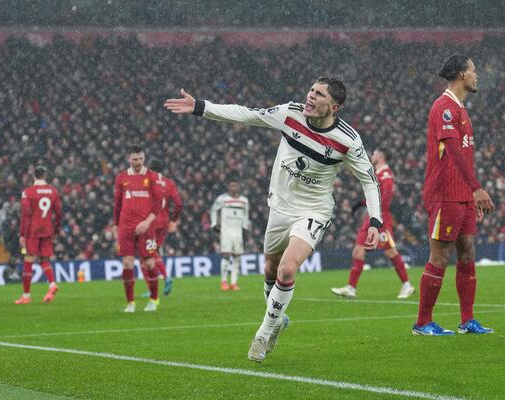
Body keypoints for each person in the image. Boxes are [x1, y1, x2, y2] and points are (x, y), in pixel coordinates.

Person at [164, 77, 382, 362]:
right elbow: (247, 114)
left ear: (334, 106)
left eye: (319, 94)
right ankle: (277, 318)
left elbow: (369, 180)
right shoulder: (289, 114)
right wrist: (201, 107)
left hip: (314, 210)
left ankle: (264, 334)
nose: (311, 96)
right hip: (279, 207)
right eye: (311, 90)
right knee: (270, 269)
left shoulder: (348, 140)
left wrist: (376, 221)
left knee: (287, 270)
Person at [413, 55, 495, 336]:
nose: (476, 75)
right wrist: (477, 188)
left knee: (467, 251)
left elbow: (465, 157)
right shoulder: (444, 107)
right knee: (440, 256)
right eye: (473, 70)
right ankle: (422, 323)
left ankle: (467, 320)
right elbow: (452, 151)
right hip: (444, 193)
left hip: (463, 195)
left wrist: (470, 193)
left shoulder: (460, 108)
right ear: (461, 75)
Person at [331, 149, 415, 299]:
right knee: (358, 251)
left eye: (375, 154)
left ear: (381, 156)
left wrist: (376, 213)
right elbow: (375, 196)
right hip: (372, 216)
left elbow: (384, 198)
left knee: (390, 252)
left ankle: (407, 285)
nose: (373, 156)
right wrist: (361, 203)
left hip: (379, 218)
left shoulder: (386, 175)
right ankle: (351, 288)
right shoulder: (378, 174)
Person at [113, 145, 163, 313]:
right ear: (129, 159)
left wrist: (146, 223)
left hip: (146, 227)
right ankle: (130, 302)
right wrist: (115, 226)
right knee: (127, 263)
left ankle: (154, 299)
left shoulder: (152, 177)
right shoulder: (121, 178)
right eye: (135, 159)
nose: (138, 162)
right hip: (126, 226)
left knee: (149, 263)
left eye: (141, 158)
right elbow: (117, 204)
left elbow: (157, 205)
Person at [15, 165, 62, 304]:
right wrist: (56, 230)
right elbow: (59, 213)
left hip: (33, 230)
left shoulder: (28, 192)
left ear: (33, 176)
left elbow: (26, 214)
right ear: (45, 175)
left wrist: (22, 234)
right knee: (45, 260)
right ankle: (52, 284)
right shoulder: (53, 191)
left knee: (28, 260)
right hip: (47, 229)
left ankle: (26, 296)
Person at [140, 159, 182, 297]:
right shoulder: (169, 183)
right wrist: (174, 221)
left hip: (150, 222)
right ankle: (158, 283)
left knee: (146, 255)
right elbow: (178, 204)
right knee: (151, 252)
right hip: (164, 223)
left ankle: (163, 279)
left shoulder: (147, 181)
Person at [210, 173, 250, 291]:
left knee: (237, 256)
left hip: (238, 231)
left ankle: (233, 283)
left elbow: (245, 216)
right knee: (226, 255)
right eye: (232, 186)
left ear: (239, 187)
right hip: (226, 231)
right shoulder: (222, 199)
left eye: (236, 186)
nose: (234, 188)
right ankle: (223, 281)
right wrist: (214, 224)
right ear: (228, 186)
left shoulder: (244, 201)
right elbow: (213, 210)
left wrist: (245, 229)